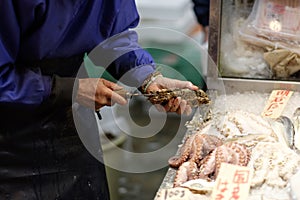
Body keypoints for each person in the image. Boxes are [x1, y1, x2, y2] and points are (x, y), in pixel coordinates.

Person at [0, 0, 198, 199]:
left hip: (72, 125)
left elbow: (113, 35)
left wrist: (147, 77)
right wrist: (69, 89)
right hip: (11, 137)